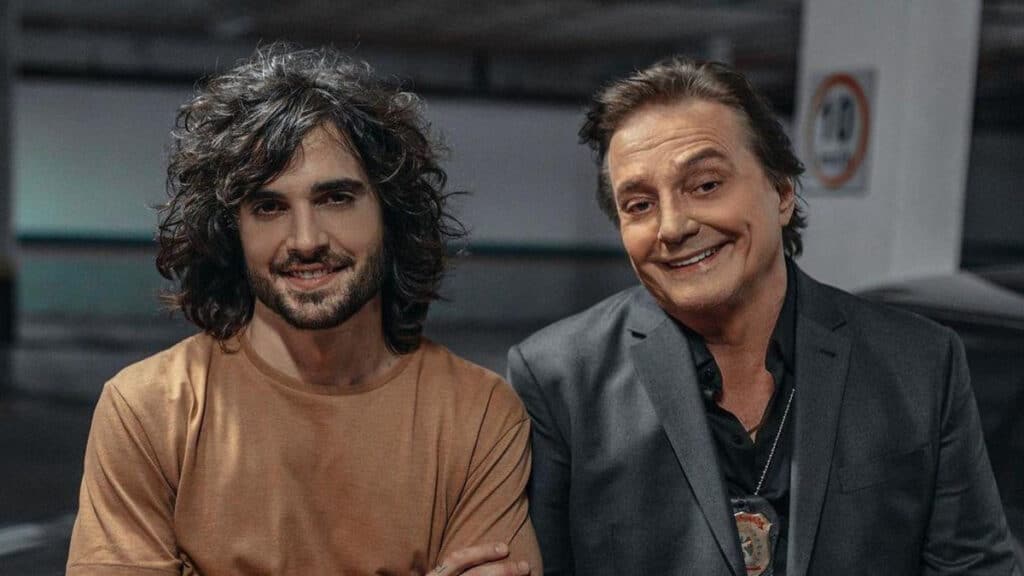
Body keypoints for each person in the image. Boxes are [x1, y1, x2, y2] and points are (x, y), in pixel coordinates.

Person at [507, 57, 1020, 576]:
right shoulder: (560, 379)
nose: (673, 227)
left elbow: (974, 567)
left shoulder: (918, 363)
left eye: (705, 185)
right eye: (639, 206)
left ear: (782, 192)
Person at [67, 44, 541, 576]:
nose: (306, 240)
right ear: (232, 231)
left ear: (390, 213)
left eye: (335, 198)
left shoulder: (479, 415)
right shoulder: (148, 409)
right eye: (269, 207)